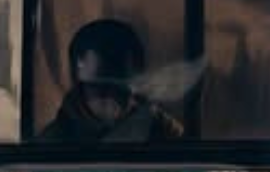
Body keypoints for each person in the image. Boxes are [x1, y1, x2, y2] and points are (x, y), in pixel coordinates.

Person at [39, 18, 184, 143]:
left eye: (119, 88)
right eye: (98, 88)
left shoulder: (163, 131)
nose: (109, 97)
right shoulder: (53, 140)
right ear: (80, 86)